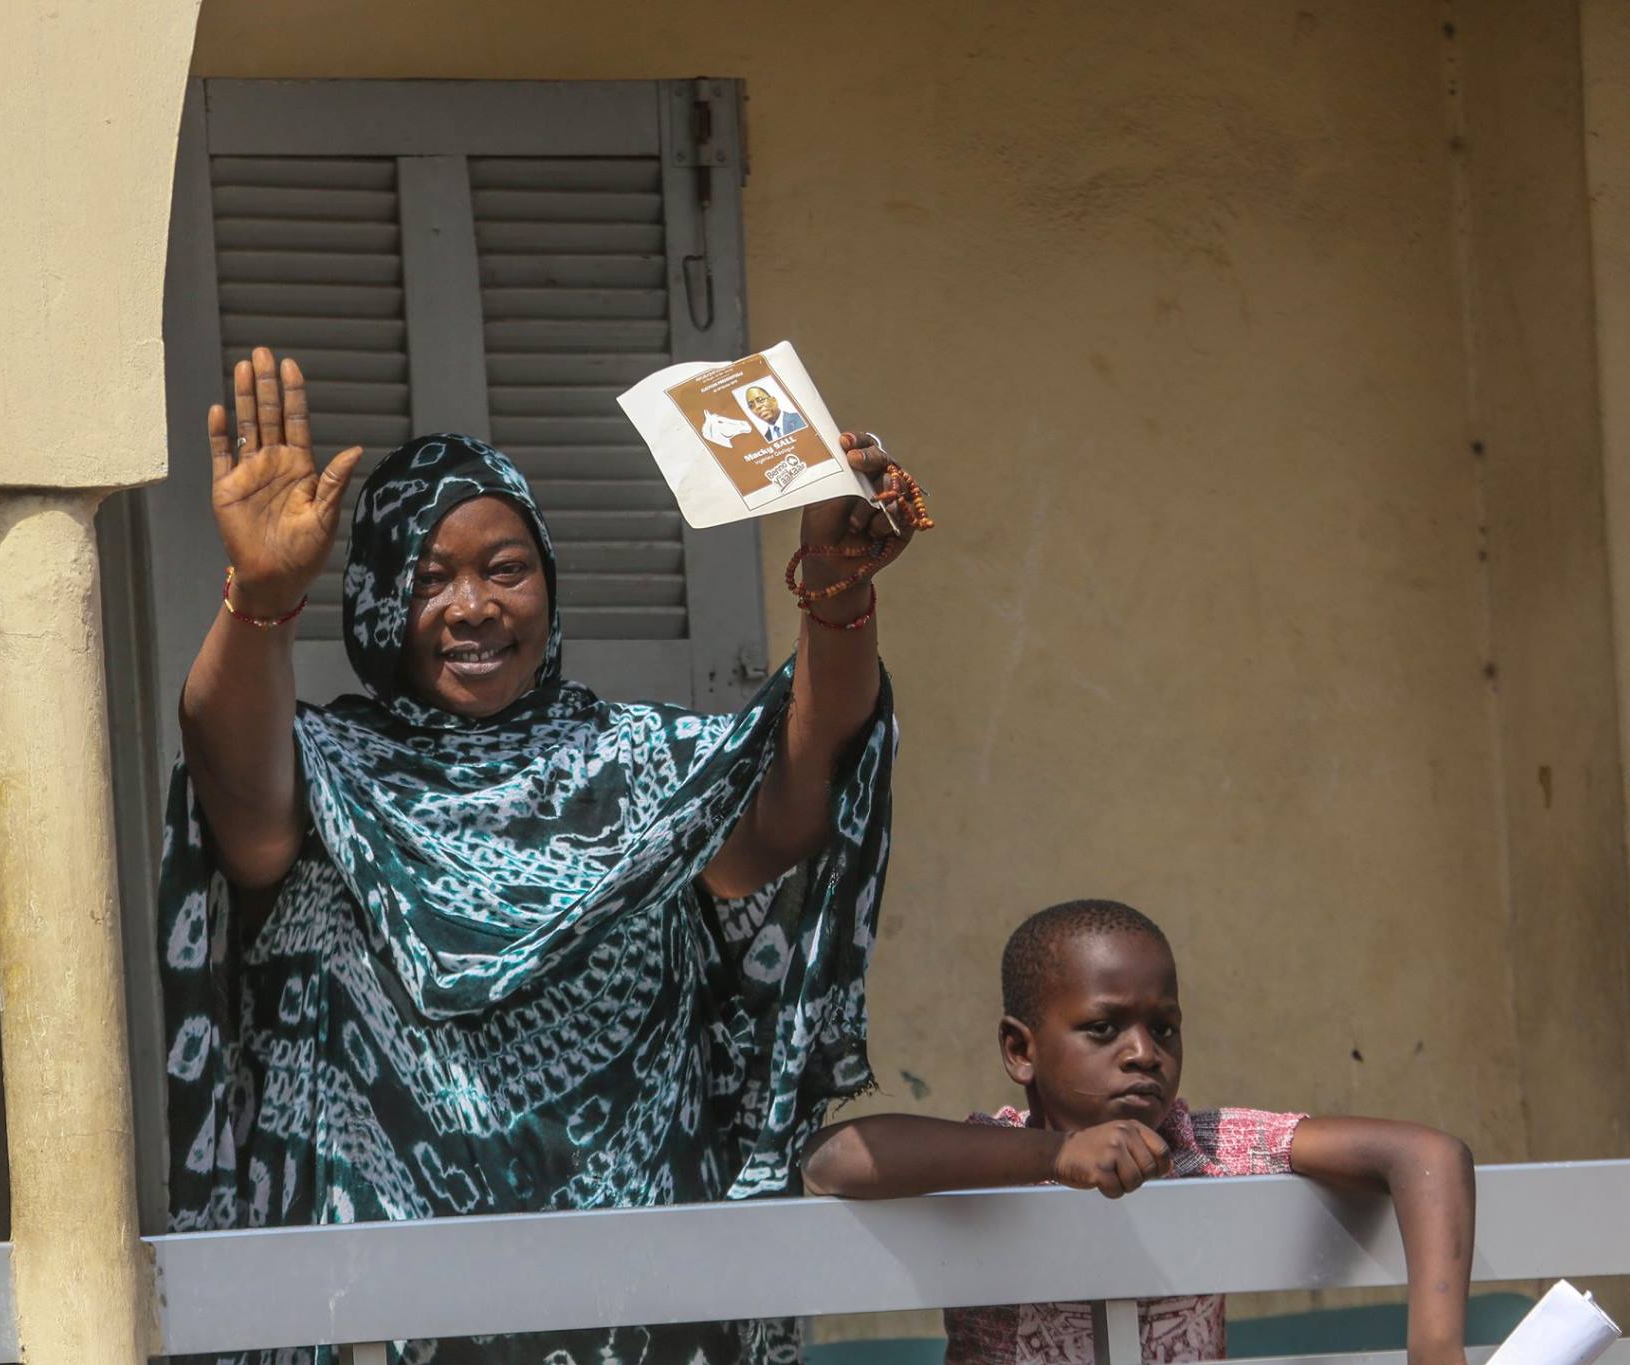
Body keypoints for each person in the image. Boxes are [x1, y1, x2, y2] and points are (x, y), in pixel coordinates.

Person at [160, 347, 927, 1365]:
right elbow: (234, 789)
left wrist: (831, 590)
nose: (471, 607)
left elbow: (785, 812)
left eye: (504, 570)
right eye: (428, 579)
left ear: (548, 586)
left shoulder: (640, 762)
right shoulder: (328, 768)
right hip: (388, 1320)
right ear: (381, 599)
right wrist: (258, 600)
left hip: (641, 1310)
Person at [799, 900, 1476, 1365]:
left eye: (1164, 1027)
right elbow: (833, 1160)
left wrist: (1437, 1347)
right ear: (1020, 1050)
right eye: (1104, 1027)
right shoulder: (994, 1151)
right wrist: (1056, 1154)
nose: (1143, 1051)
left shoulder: (1208, 1145)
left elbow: (1427, 1153)